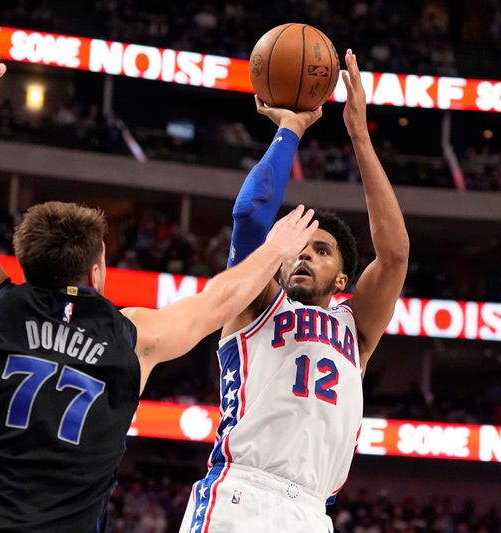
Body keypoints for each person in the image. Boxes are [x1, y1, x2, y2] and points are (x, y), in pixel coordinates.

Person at [0, 42, 319, 532]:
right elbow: (219, 301)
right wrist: (276, 248)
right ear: (98, 271)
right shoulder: (132, 337)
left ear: (24, 260)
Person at [181, 49, 409, 532]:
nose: (305, 255)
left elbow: (394, 256)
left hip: (311, 512)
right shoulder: (256, 301)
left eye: (322, 251)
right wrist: (292, 130)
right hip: (242, 494)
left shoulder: (356, 329)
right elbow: (249, 216)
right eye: (299, 248)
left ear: (344, 280)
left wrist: (359, 135)